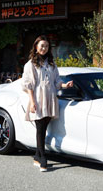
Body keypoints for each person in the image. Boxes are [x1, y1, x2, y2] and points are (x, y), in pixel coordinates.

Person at [22, 35, 73, 172]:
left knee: (44, 127)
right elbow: (28, 86)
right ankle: (43, 157)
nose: (44, 48)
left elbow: (57, 81)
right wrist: (32, 102)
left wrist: (65, 85)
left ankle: (37, 156)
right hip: (38, 99)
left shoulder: (51, 63)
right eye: (41, 46)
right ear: (36, 47)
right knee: (40, 128)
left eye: (46, 46)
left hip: (50, 98)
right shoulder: (30, 64)